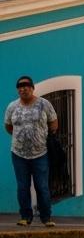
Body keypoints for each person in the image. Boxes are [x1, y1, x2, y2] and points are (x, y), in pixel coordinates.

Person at [6, 76, 58, 228]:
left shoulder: (44, 104)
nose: (23, 89)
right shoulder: (12, 107)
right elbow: (8, 126)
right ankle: (25, 216)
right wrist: (21, 138)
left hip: (40, 153)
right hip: (18, 153)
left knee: (42, 186)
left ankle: (46, 217)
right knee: (22, 186)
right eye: (20, 86)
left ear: (32, 87)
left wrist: (44, 136)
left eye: (26, 86)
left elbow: (53, 122)